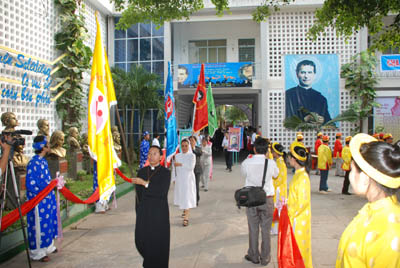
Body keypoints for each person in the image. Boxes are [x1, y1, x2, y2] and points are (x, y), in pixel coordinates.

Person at [336, 133, 400, 267]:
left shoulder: (389, 231)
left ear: (365, 179)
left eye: (353, 170)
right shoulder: (372, 209)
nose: (350, 176)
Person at [241, 137, 279, 266]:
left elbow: (243, 173)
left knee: (253, 228)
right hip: (267, 199)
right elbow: (276, 175)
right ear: (267, 150)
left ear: (254, 149)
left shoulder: (247, 162)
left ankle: (253, 255)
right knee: (266, 229)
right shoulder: (271, 163)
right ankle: (265, 257)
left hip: (251, 198)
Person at [131, 146, 171, 268]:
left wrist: (144, 183)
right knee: (142, 240)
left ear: (160, 157)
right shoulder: (142, 172)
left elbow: (161, 191)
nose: (151, 156)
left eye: (154, 153)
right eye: (149, 153)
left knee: (159, 242)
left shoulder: (165, 173)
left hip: (159, 214)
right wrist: (139, 212)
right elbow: (138, 196)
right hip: (145, 213)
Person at [26, 136, 58, 262]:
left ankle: (48, 246)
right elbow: (31, 184)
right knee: (38, 226)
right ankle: (37, 252)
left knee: (48, 221)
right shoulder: (33, 162)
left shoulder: (43, 161)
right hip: (38, 200)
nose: (49, 146)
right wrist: (42, 192)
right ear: (43, 147)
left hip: (47, 199)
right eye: (48, 144)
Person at [287, 141, 313, 268]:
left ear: (294, 159)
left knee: (298, 250)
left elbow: (301, 204)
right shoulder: (299, 174)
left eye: (290, 156)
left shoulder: (302, 177)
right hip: (295, 218)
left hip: (298, 220)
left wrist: (288, 213)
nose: (288, 158)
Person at [172, 139, 197, 226]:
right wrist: (174, 179)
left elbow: (191, 167)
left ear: (189, 146)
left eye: (186, 146)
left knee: (187, 197)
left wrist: (181, 164)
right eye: (182, 146)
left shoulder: (192, 156)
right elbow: (174, 168)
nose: (184, 148)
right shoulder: (177, 156)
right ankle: (184, 210)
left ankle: (186, 218)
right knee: (182, 197)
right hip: (180, 180)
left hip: (188, 180)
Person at [270, 142, 287, 235]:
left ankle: (276, 229)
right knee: (277, 209)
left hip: (278, 190)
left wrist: (271, 181)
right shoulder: (279, 161)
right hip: (279, 189)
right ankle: (275, 228)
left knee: (277, 209)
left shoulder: (280, 163)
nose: (271, 153)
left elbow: (279, 178)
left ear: (276, 152)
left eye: (272, 151)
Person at [189, 136, 202, 206]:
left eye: (192, 140)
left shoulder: (198, 149)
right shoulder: (186, 150)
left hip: (197, 170)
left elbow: (199, 153)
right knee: (189, 186)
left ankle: (196, 199)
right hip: (188, 171)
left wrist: (193, 149)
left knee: (196, 186)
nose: (191, 142)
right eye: (190, 141)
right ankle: (190, 199)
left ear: (195, 141)